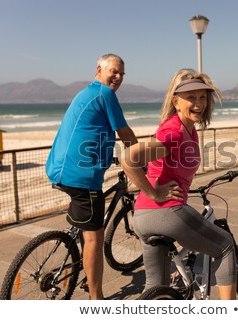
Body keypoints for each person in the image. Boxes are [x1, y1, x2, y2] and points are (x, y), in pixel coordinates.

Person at [121, 69, 237, 299]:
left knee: (155, 288)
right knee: (225, 247)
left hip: (143, 217)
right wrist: (155, 193)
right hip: (166, 212)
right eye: (191, 97)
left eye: (202, 97)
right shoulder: (173, 133)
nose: (199, 103)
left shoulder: (186, 129)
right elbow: (129, 159)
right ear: (176, 101)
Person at [45, 53, 138, 300]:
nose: (118, 77)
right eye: (114, 71)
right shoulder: (105, 94)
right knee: (95, 237)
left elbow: (94, 130)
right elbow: (126, 134)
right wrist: (141, 160)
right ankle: (96, 299)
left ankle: (88, 274)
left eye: (122, 74)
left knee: (87, 228)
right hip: (81, 177)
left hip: (61, 169)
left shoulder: (88, 93)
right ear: (99, 69)